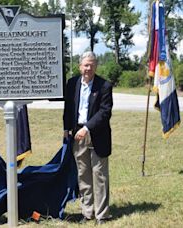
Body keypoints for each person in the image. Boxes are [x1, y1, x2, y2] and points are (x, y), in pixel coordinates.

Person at [63, 51, 113, 225]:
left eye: (92, 65)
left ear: (96, 66)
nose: (88, 68)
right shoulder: (72, 83)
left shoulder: (105, 85)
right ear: (80, 66)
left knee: (99, 175)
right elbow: (68, 108)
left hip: (97, 134)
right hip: (77, 134)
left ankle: (102, 215)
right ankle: (87, 212)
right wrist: (66, 128)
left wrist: (87, 128)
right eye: (85, 65)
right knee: (83, 175)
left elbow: (105, 112)